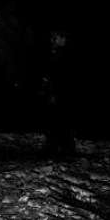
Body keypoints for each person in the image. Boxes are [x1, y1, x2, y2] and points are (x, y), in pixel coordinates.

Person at [39, 29, 77, 158]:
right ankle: (57, 147)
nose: (52, 41)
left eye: (55, 38)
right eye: (52, 38)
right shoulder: (55, 53)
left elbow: (62, 77)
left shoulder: (65, 55)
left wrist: (55, 92)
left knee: (61, 121)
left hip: (61, 94)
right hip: (56, 93)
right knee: (55, 121)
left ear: (63, 39)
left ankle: (61, 148)